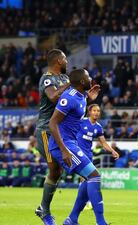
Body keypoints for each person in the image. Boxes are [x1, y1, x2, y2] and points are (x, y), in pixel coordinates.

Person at [35, 50, 100, 225]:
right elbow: (53, 96)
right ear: (58, 61)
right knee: (55, 170)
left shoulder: (65, 80)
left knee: (60, 172)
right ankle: (45, 210)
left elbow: (74, 101)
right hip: (47, 129)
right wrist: (71, 83)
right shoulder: (47, 78)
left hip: (64, 131)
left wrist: (86, 96)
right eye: (64, 59)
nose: (66, 62)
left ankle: (66, 215)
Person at [48, 69, 108, 225]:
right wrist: (63, 150)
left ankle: (72, 219)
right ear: (82, 82)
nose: (91, 78)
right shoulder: (68, 98)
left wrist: (89, 97)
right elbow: (52, 123)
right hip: (63, 144)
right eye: (88, 76)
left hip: (71, 143)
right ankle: (100, 222)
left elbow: (76, 109)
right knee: (94, 176)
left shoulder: (81, 96)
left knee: (89, 178)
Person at [64, 103, 119, 224]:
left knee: (86, 180)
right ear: (89, 112)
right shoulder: (81, 122)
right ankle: (90, 207)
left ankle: (74, 217)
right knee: (89, 178)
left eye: (98, 111)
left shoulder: (98, 127)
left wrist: (112, 151)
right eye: (94, 110)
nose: (96, 113)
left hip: (88, 156)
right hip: (78, 155)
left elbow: (103, 143)